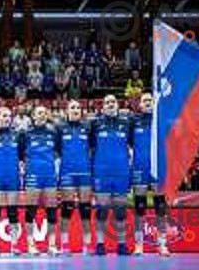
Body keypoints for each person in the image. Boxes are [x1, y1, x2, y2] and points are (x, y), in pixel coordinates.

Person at [91, 94, 132, 256]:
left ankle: (121, 245)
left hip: (122, 172)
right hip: (102, 172)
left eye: (112, 102)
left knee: (120, 211)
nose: (110, 104)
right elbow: (90, 146)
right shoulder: (95, 124)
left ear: (118, 105)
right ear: (102, 107)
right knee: (102, 210)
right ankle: (100, 245)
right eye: (107, 102)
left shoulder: (126, 123)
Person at [131, 93, 171, 256]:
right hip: (140, 167)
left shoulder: (161, 121)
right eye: (145, 101)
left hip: (157, 168)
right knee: (139, 207)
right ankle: (139, 245)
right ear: (140, 105)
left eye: (150, 100)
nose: (148, 103)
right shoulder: (133, 122)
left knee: (160, 206)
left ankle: (162, 244)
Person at [20, 106, 60, 255]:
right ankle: (31, 244)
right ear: (33, 116)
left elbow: (58, 151)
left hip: (49, 175)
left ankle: (51, 244)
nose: (42, 115)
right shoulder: (25, 134)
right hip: (32, 175)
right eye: (39, 113)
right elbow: (20, 154)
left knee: (51, 211)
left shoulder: (53, 132)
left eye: (44, 113)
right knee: (31, 210)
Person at [57, 100, 93, 254]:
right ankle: (64, 244)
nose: (76, 109)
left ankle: (87, 244)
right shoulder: (60, 128)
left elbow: (92, 147)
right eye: (72, 107)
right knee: (67, 208)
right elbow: (57, 149)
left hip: (84, 171)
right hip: (67, 172)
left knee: (85, 209)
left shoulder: (87, 128)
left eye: (78, 107)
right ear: (67, 111)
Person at [0, 107, 21, 255]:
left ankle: (14, 246)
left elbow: (23, 157)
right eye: (4, 116)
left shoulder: (18, 136)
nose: (7, 118)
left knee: (13, 213)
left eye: (9, 116)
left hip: (12, 178)